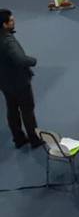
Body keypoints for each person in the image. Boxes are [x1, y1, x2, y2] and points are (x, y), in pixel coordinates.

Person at [0, 10, 41, 148]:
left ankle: (18, 139)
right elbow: (20, 60)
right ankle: (34, 139)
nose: (14, 21)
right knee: (27, 110)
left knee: (12, 110)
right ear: (4, 24)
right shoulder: (7, 41)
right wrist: (33, 61)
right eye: (11, 20)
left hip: (4, 82)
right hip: (19, 81)